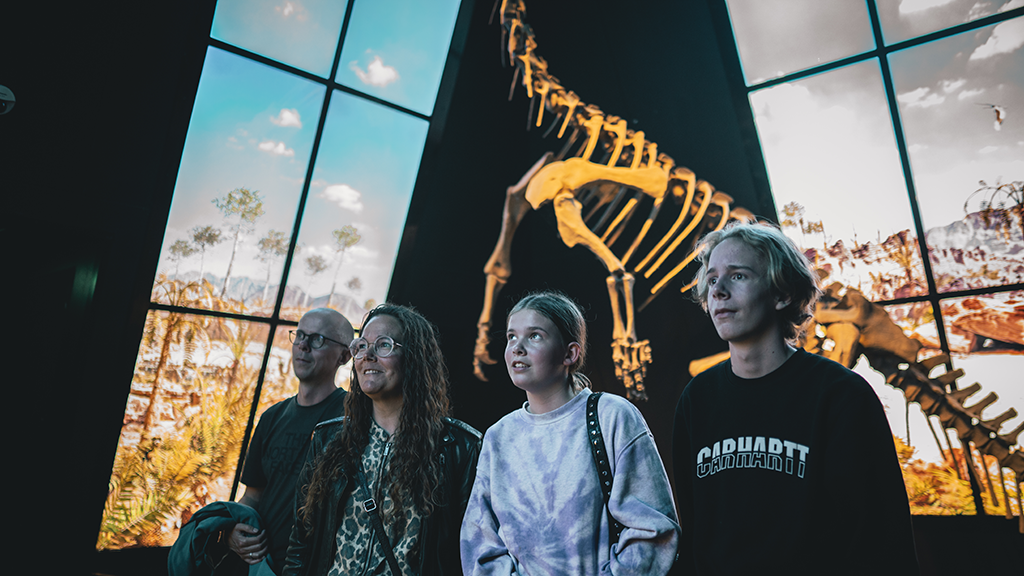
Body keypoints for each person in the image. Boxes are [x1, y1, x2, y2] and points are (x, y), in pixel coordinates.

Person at [672, 221, 919, 574]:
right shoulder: (697, 399)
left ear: (782, 294)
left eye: (738, 276)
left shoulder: (841, 395)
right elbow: (695, 531)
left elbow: (883, 539)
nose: (718, 291)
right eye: (712, 279)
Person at [461, 291, 680, 575]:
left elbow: (653, 528)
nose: (517, 347)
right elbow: (479, 543)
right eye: (511, 337)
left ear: (570, 353)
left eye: (535, 336)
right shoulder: (498, 437)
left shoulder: (612, 416)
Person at [283, 304, 482, 576]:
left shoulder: (458, 447)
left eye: (384, 345)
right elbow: (302, 541)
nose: (368, 356)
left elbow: (472, 552)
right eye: (361, 345)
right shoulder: (330, 439)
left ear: (414, 357)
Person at [228, 308, 355, 574]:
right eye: (299, 335)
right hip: (262, 566)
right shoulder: (272, 417)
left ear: (344, 356)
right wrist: (233, 531)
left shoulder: (352, 420)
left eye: (318, 339)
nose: (303, 346)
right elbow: (252, 497)